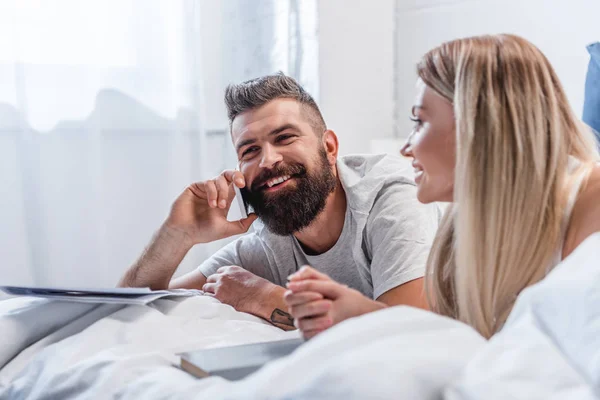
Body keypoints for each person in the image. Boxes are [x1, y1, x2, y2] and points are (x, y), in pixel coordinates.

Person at [285, 34, 600, 339]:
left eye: (419, 122)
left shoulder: (591, 203)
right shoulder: (464, 226)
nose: (407, 148)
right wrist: (360, 313)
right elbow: (456, 344)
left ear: (478, 125)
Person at [119, 73, 440, 331]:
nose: (268, 160)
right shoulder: (267, 243)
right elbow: (126, 311)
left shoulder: (394, 198)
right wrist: (177, 236)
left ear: (329, 147)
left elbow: (409, 337)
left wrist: (263, 297)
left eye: (284, 138)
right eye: (249, 151)